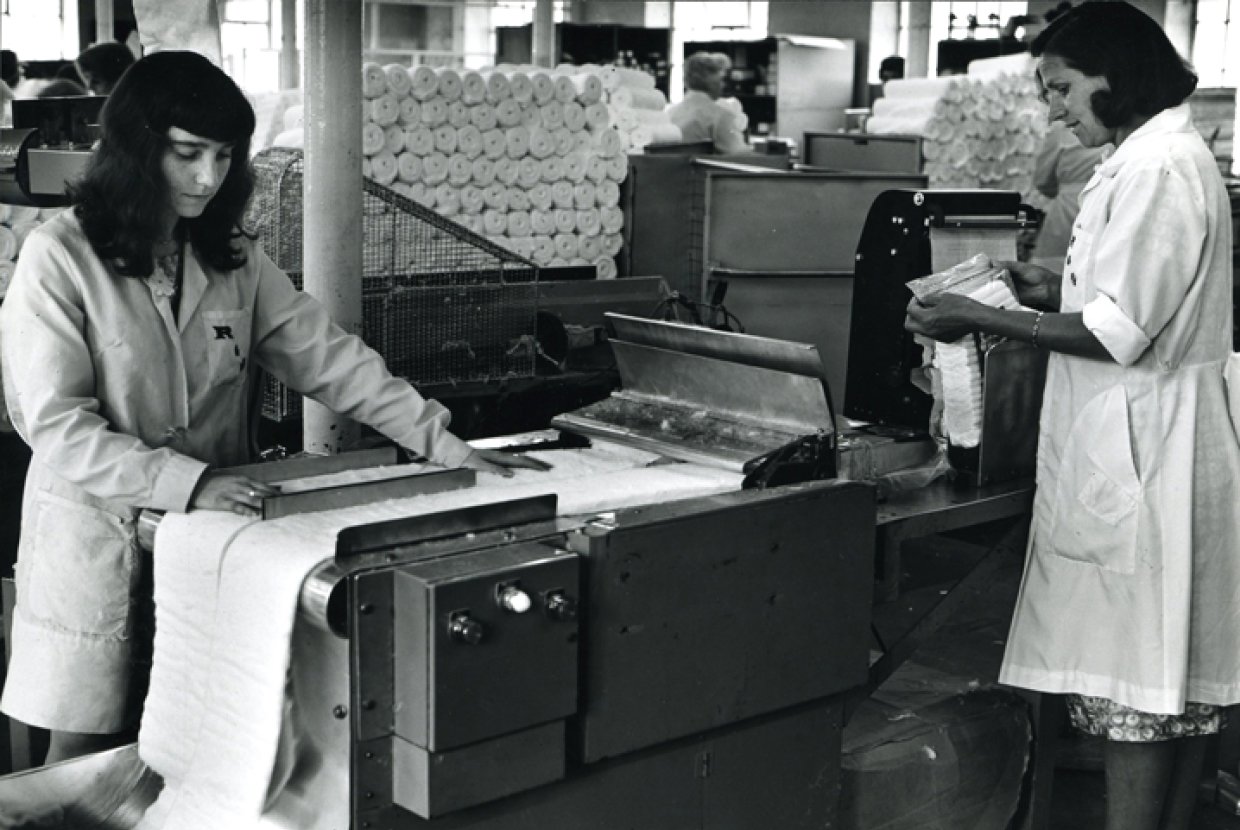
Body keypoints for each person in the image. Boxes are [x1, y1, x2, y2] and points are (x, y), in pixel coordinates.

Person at [0, 50, 546, 766]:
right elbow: (54, 424)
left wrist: (441, 442)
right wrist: (190, 482)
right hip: (100, 532)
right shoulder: (60, 257)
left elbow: (330, 358)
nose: (208, 177)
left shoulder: (230, 259)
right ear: (137, 147)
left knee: (194, 746)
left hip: (207, 541)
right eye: (187, 154)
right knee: (89, 751)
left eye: (225, 157)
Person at [905, 5, 1240, 829]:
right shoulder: (1145, 158)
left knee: (1143, 681)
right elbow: (1118, 300)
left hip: (1147, 449)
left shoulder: (1159, 167)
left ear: (1113, 77)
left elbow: (1114, 331)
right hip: (1141, 441)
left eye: (1061, 88)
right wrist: (1042, 286)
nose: (1053, 109)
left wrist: (976, 317)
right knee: (1169, 680)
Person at [1028, 120, 1103, 269]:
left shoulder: (1062, 128)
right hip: (1104, 209)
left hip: (1065, 213)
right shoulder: (1122, 125)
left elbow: (1042, 180)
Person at [665, 52, 749, 154]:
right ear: (710, 79)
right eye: (721, 79)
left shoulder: (668, 114)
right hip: (703, 169)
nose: (722, 85)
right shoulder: (720, 116)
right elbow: (739, 155)